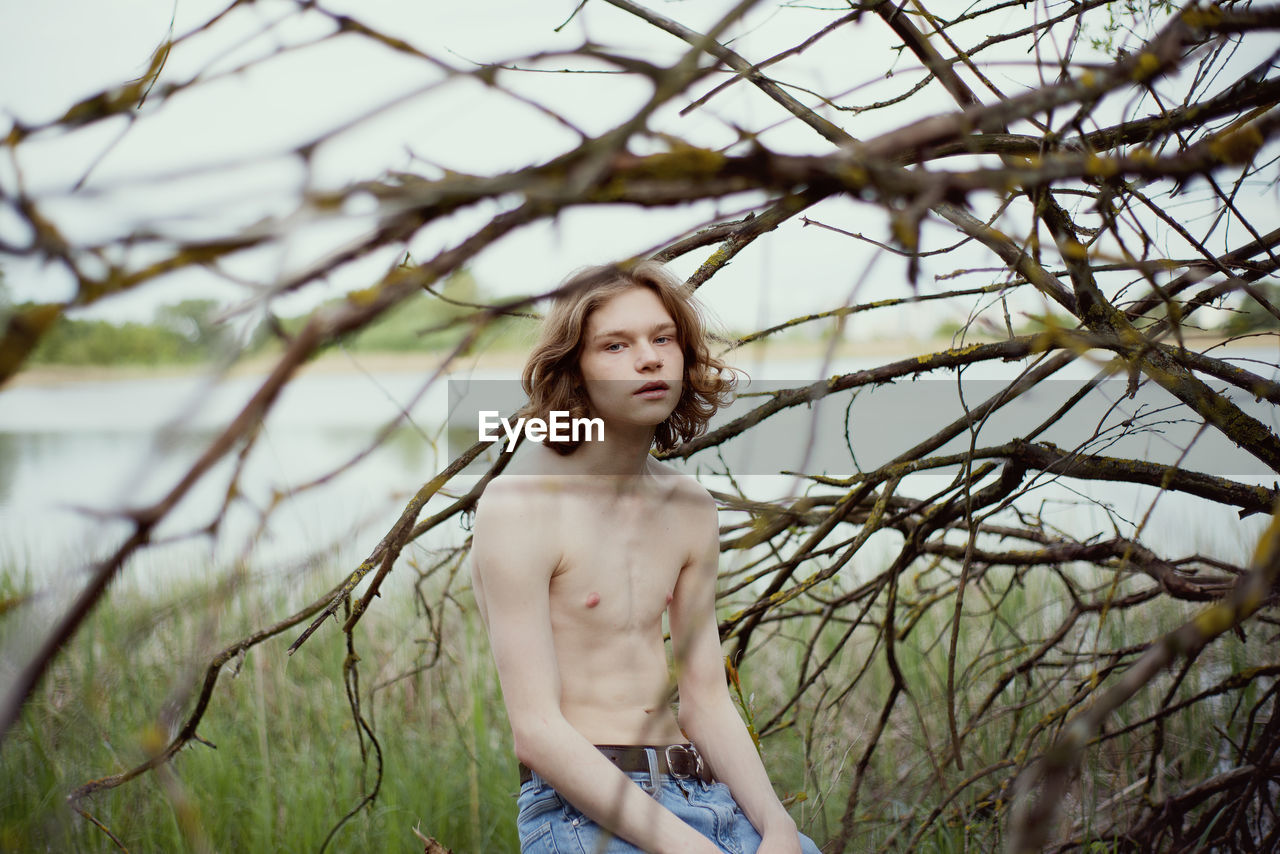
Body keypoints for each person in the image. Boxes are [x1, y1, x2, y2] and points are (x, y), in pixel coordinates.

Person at [471, 261, 822, 854]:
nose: (650, 359)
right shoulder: (520, 506)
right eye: (616, 346)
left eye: (663, 339)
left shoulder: (689, 507)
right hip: (582, 813)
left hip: (709, 799)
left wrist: (779, 828)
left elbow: (706, 699)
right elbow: (536, 730)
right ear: (574, 371)